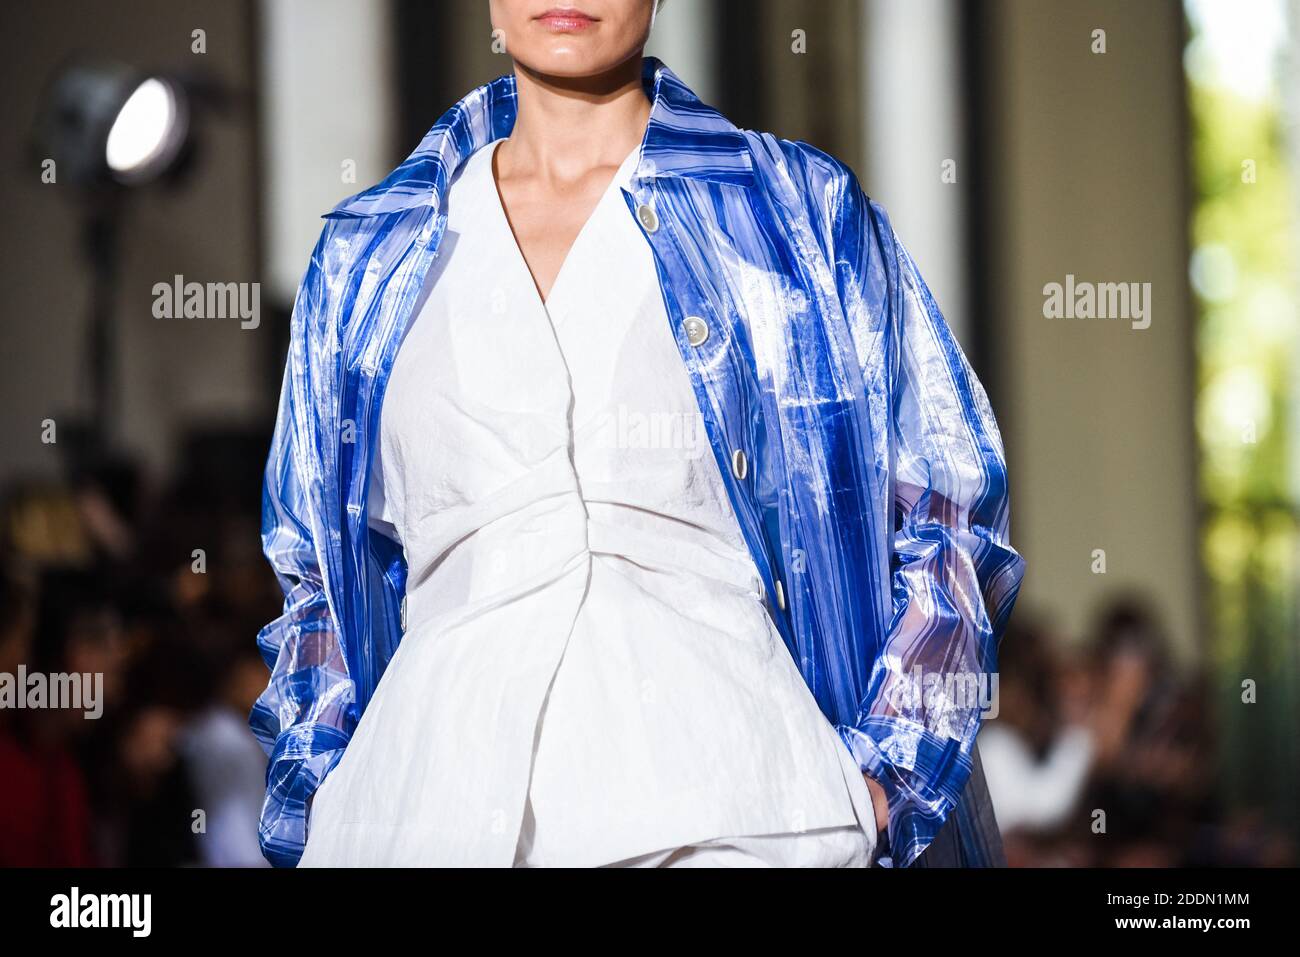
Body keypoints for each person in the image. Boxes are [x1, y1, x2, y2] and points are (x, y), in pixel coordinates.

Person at [251, 0, 1024, 868]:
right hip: (416, 809)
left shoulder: (795, 215)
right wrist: (317, 791)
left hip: (740, 812)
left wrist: (890, 778)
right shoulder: (369, 254)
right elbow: (312, 570)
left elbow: (946, 511)